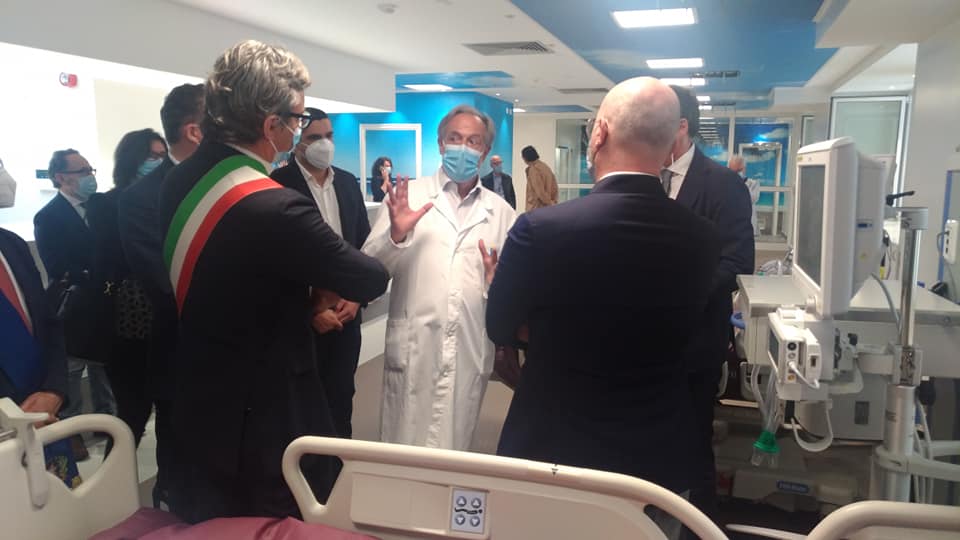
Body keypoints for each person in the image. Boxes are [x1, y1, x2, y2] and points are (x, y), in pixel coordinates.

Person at [158, 40, 389, 522]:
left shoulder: (180, 181)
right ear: (271, 126)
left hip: (199, 392)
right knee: (272, 522)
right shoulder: (273, 205)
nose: (300, 129)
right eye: (298, 119)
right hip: (265, 412)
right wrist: (316, 288)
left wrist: (305, 287)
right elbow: (369, 278)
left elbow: (237, 278)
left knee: (212, 521)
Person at [487, 77, 719, 540]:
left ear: (600, 133)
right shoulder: (703, 238)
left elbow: (500, 326)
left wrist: (521, 308)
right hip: (657, 459)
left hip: (552, 450)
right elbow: (680, 330)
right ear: (671, 144)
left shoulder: (540, 230)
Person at [362, 104, 516, 451]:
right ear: (441, 143)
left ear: (485, 151)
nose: (463, 147)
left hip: (468, 348)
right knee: (402, 449)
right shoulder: (407, 198)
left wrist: (497, 285)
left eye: (473, 141)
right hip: (415, 347)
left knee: (455, 449)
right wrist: (396, 236)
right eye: (455, 138)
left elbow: (509, 295)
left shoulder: (502, 214)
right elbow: (369, 272)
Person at [663, 85, 755, 521]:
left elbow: (737, 261)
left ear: (681, 126)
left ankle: (700, 524)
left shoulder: (722, 184)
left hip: (694, 343)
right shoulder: (640, 177)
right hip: (639, 344)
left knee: (692, 444)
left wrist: (678, 294)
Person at [118, 83, 204, 506]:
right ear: (195, 131)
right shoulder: (142, 199)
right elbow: (165, 281)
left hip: (243, 358)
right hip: (185, 352)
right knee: (182, 468)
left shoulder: (232, 182)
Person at [271, 106, 371, 439]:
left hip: (346, 315)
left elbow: (362, 244)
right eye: (315, 138)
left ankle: (338, 465)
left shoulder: (347, 182)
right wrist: (310, 310)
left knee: (341, 399)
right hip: (301, 321)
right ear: (297, 140)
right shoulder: (277, 185)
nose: (324, 144)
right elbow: (275, 262)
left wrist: (356, 297)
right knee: (301, 406)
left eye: (329, 136)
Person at [87, 128, 167, 453]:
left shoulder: (169, 198)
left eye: (162, 156)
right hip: (128, 320)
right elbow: (110, 256)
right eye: (152, 156)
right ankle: (115, 479)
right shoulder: (106, 203)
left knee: (170, 411)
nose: (158, 163)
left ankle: (169, 480)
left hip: (165, 316)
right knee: (131, 412)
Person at [34, 149, 116, 421]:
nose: (89, 176)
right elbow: (56, 266)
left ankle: (109, 421)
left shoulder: (103, 207)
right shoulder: (48, 216)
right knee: (72, 371)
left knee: (105, 370)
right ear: (60, 177)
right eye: (82, 171)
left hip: (106, 301)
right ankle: (73, 427)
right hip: (76, 306)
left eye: (90, 170)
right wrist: (90, 273)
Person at [0, 226, 80, 488]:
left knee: (61, 508)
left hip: (44, 425)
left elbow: (48, 324)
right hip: (6, 436)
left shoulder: (11, 243)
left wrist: (53, 391)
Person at [727, 154, 761, 237]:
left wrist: (740, 184)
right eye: (733, 171)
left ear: (744, 169)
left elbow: (752, 199)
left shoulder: (753, 183)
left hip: (747, 226)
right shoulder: (724, 183)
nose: (736, 174)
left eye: (738, 170)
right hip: (729, 226)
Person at [522, 145, 558, 211]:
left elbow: (540, 192)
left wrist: (550, 203)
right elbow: (554, 187)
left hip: (537, 209)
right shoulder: (545, 167)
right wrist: (553, 202)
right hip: (547, 208)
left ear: (525, 158)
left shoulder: (534, 170)